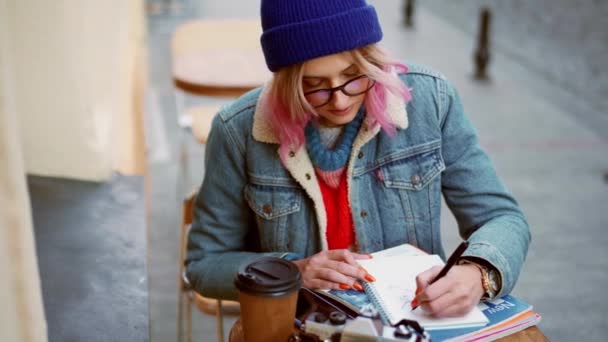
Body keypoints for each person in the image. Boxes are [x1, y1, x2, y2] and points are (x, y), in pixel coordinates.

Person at [186, 0, 530, 318]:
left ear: (372, 60)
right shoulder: (238, 130)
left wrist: (477, 272)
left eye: (353, 76)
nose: (339, 101)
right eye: (315, 86)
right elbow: (204, 264)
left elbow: (502, 217)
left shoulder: (432, 100)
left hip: (415, 324)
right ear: (287, 81)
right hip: (303, 326)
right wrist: (294, 271)